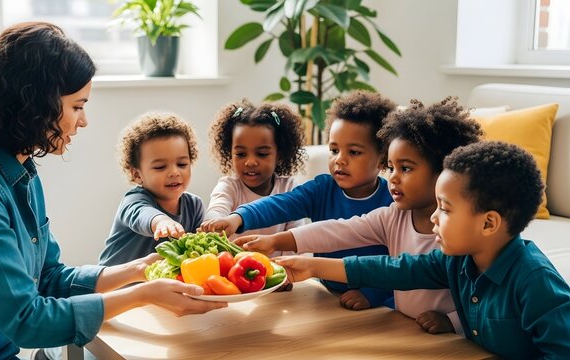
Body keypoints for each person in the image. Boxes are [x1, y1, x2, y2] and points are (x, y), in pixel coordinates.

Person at [0, 22, 225, 359]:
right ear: (35, 104)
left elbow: (49, 276)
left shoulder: (20, 173)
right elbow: (26, 320)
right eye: (77, 106)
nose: (83, 121)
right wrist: (143, 294)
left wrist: (138, 270)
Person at [275, 141, 570, 358]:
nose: (433, 217)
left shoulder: (535, 280)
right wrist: (312, 266)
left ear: (489, 223)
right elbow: (397, 269)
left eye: (445, 209)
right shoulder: (457, 261)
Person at [236, 97, 483, 335]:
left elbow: (480, 295)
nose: (393, 177)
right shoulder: (392, 216)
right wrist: (276, 242)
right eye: (392, 167)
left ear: (444, 173)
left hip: (450, 340)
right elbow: (339, 230)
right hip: (404, 327)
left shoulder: (463, 232)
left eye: (405, 169)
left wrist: (451, 321)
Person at [205, 91, 396, 310]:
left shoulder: (392, 201)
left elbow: (399, 261)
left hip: (376, 304)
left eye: (353, 152)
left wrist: (373, 294)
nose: (339, 160)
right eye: (334, 150)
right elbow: (281, 203)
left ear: (382, 158)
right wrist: (237, 218)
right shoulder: (321, 189)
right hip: (325, 293)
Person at [98, 113, 204, 266]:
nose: (174, 172)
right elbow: (141, 213)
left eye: (182, 164)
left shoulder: (194, 206)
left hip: (157, 285)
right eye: (160, 167)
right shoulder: (134, 199)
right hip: (115, 286)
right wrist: (160, 221)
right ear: (137, 174)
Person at [199, 99, 306, 251]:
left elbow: (296, 238)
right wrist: (214, 221)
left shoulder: (289, 188)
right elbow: (218, 207)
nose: (250, 162)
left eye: (262, 154)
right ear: (230, 154)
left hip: (279, 271)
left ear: (280, 155)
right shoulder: (229, 186)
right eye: (241, 154)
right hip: (235, 270)